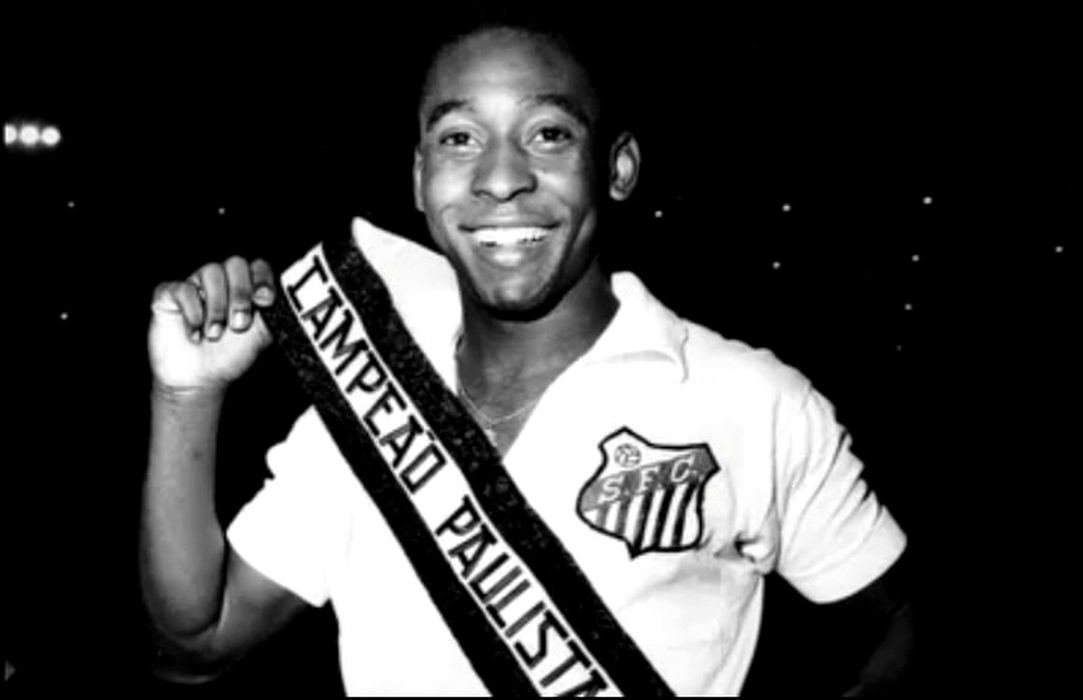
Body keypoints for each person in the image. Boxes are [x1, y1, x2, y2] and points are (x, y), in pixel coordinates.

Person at [140, 14, 914, 696]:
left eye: (548, 134)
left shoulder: (752, 401)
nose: (501, 179)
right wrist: (186, 396)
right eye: (458, 138)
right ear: (419, 177)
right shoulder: (367, 394)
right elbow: (196, 647)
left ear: (616, 168)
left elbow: (900, 627)